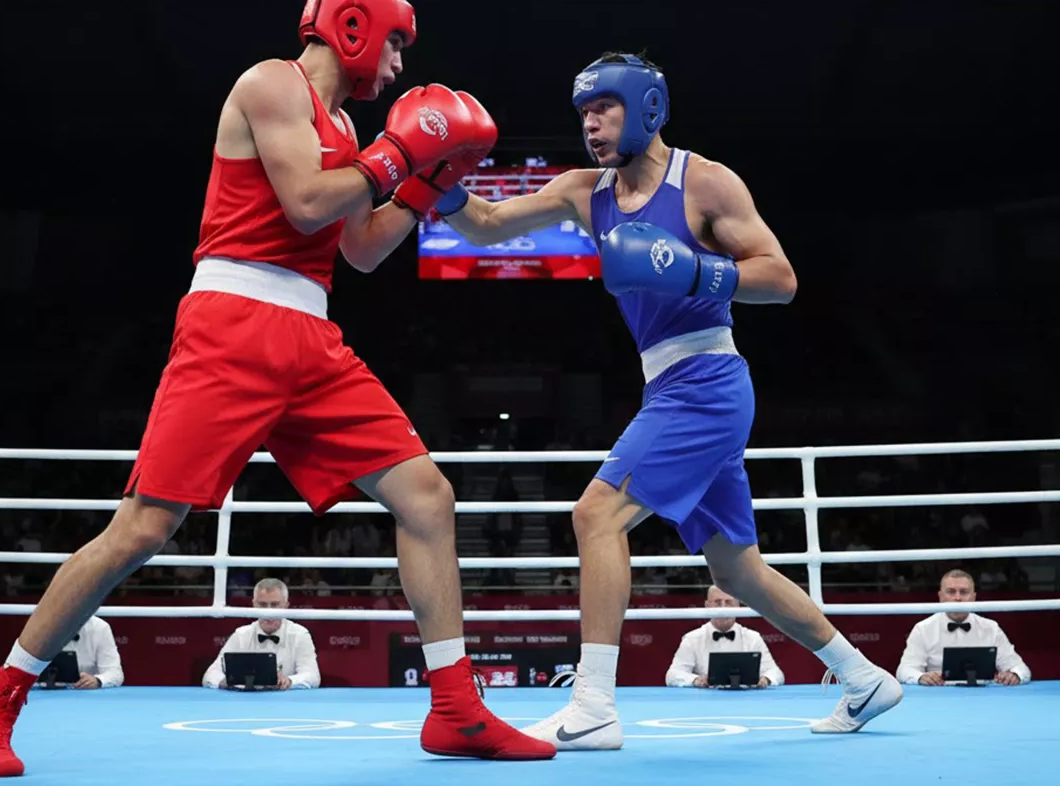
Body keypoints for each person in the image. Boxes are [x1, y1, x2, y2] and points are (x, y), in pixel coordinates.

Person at [0, 0, 555, 776]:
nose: (401, 67)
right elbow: (307, 202)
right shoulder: (271, 84)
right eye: (398, 42)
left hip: (312, 334)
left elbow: (360, 249)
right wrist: (401, 151)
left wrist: (425, 182)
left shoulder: (345, 125)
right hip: (231, 324)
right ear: (352, 25)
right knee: (143, 529)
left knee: (428, 498)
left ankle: (456, 711)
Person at [436, 51, 902, 749]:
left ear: (646, 108)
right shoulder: (580, 191)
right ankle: (863, 677)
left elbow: (780, 278)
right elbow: (485, 226)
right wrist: (430, 182)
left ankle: (593, 703)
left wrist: (691, 272)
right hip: (668, 382)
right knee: (736, 567)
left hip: (709, 381)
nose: (590, 124)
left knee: (596, 514)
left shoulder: (705, 183)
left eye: (604, 109)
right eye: (584, 113)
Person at [896, 569, 1031, 686]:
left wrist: (1015, 675)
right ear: (940, 597)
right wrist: (921, 677)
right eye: (951, 592)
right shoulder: (923, 628)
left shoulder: (991, 628)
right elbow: (904, 670)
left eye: (964, 592)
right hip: (937, 698)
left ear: (973, 597)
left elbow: (1020, 668)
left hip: (984, 699)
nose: (958, 598)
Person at [203, 579, 320, 691]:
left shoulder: (300, 634)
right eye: (263, 605)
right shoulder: (241, 635)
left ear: (286, 605)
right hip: (246, 703)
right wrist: (224, 682)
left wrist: (289, 681)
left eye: (275, 605)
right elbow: (211, 675)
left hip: (286, 704)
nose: (268, 611)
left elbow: (312, 675)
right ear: (254, 604)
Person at [664, 585, 784, 688]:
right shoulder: (692, 638)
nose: (723, 608)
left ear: (738, 607)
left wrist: (766, 679)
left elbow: (776, 673)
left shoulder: (753, 637)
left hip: (746, 703)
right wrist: (696, 680)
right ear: (707, 606)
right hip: (705, 704)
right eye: (717, 602)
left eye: (729, 602)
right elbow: (673, 675)